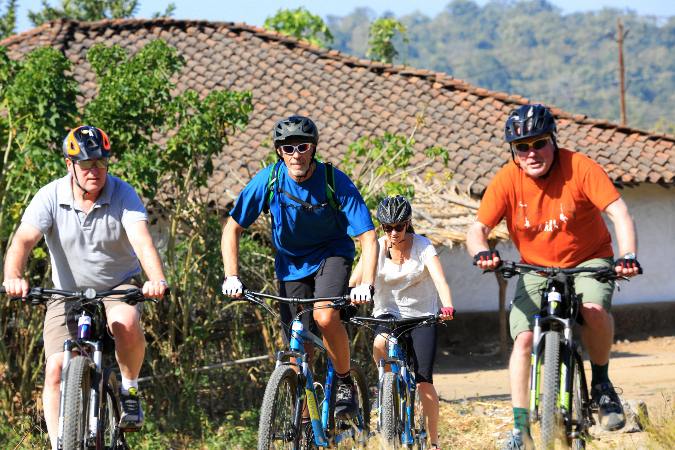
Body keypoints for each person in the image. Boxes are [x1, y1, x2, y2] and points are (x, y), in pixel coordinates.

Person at [466, 104, 642, 449]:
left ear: (553, 141)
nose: (532, 153)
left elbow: (619, 212)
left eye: (539, 143)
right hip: (535, 267)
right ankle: (520, 428)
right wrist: (482, 253)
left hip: (588, 260)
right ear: (513, 152)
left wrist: (628, 255)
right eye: (522, 147)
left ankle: (603, 386)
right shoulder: (506, 180)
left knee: (593, 311)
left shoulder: (580, 167)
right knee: (524, 342)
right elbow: (478, 229)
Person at [2, 126, 168, 449]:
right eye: (87, 164)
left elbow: (143, 241)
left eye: (102, 163)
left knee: (127, 323)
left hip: (117, 287)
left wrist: (156, 279)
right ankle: (59, 445)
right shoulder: (50, 196)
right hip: (66, 294)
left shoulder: (123, 194)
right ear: (70, 165)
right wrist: (14, 275)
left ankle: (130, 389)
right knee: (55, 370)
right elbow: (22, 240)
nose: (96, 171)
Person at [221, 115, 378, 418]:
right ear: (279, 151)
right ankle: (304, 420)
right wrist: (232, 276)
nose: (296, 155)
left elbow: (368, 237)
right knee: (296, 349)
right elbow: (232, 228)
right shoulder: (268, 181)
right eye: (288, 148)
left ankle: (344, 381)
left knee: (325, 314)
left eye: (302, 147)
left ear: (313, 148)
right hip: (290, 265)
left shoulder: (335, 180)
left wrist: (365, 284)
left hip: (331, 255)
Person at [350, 195, 455, 449]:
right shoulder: (376, 247)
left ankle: (433, 442)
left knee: (424, 381)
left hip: (421, 316)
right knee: (379, 342)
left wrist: (447, 306)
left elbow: (440, 280)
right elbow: (355, 279)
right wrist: (349, 295)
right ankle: (386, 386)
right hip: (388, 312)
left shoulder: (423, 246)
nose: (393, 232)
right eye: (387, 227)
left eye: (398, 226)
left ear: (408, 223)